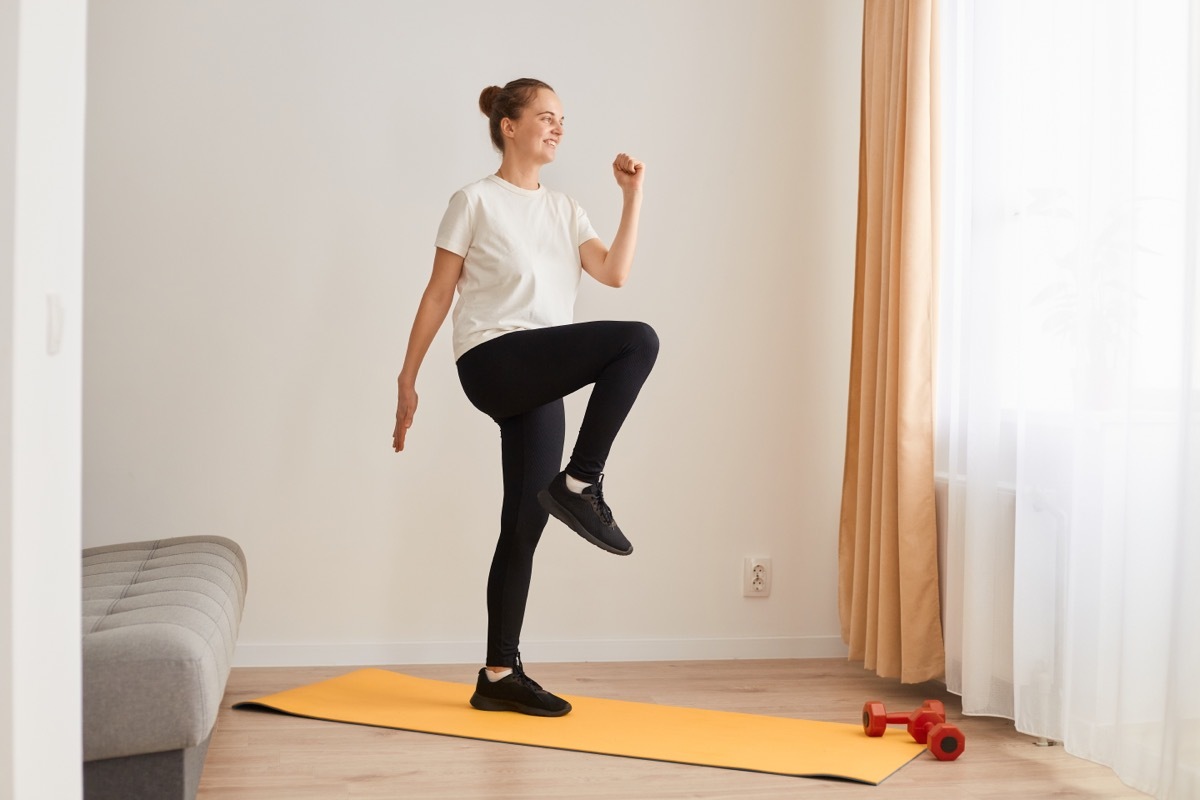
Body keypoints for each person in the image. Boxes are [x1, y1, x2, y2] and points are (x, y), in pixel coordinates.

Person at [392, 78, 659, 717]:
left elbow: (615, 274)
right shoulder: (474, 201)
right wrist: (408, 378)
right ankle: (582, 482)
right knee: (638, 342)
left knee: (523, 524)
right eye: (545, 116)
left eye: (563, 118)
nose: (558, 127)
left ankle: (498, 672)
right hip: (493, 358)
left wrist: (633, 196)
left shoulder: (565, 210)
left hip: (540, 370)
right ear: (509, 126)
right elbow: (437, 294)